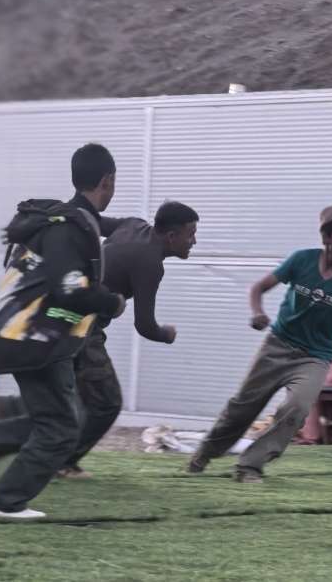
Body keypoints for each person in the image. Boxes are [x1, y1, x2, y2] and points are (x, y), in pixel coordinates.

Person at [0, 143, 126, 519]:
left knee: (59, 415)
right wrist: (111, 302)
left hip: (27, 333)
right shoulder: (69, 228)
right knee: (61, 428)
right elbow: (70, 290)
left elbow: (97, 230)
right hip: (36, 336)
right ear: (107, 180)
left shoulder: (58, 219)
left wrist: (130, 226)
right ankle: (5, 502)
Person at [185, 204, 332, 483]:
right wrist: (257, 313)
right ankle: (206, 452)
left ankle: (249, 466)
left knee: (297, 408)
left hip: (315, 357)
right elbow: (257, 288)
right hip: (278, 345)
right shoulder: (301, 259)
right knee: (242, 406)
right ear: (326, 236)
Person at [58, 199, 199, 478]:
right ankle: (62, 463)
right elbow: (144, 325)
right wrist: (166, 334)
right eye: (190, 235)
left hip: (59, 314)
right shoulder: (151, 263)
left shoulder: (133, 224)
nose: (194, 241)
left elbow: (90, 221)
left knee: (73, 398)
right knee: (107, 402)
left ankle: (49, 456)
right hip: (80, 327)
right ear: (172, 237)